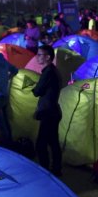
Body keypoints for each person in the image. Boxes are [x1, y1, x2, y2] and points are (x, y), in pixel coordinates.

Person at [32, 44, 62, 175]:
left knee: (41, 144)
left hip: (48, 112)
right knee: (52, 141)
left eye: (40, 55)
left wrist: (34, 88)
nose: (37, 57)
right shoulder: (53, 71)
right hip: (53, 110)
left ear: (48, 57)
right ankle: (56, 169)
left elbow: (37, 91)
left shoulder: (48, 72)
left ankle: (45, 170)